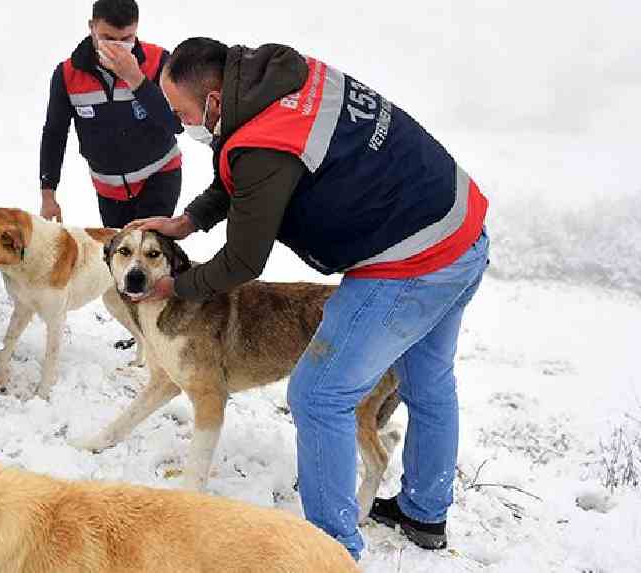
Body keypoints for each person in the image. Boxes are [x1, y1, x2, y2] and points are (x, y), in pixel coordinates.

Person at [131, 37, 490, 560]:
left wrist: (177, 286)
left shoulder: (260, 142)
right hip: (461, 227)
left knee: (318, 394)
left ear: (211, 100)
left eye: (179, 109)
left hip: (414, 259)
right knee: (427, 381)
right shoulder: (273, 81)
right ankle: (424, 512)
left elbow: (242, 262)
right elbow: (243, 177)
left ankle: (329, 550)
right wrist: (188, 221)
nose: (175, 119)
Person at [39, 0, 182, 228]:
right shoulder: (67, 75)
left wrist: (137, 80)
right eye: (107, 38)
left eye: (126, 40)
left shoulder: (159, 61)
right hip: (108, 190)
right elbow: (54, 133)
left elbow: (176, 124)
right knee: (119, 258)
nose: (117, 46)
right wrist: (48, 194)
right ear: (91, 27)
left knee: (147, 249)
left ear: (136, 30)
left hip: (159, 176)